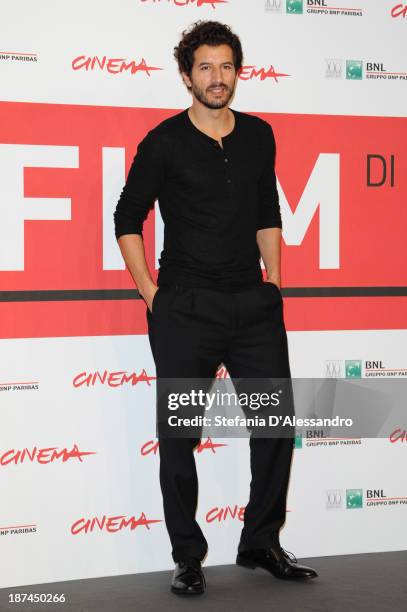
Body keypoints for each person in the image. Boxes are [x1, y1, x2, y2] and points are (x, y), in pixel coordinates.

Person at [114, 20, 318, 596]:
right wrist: (152, 294)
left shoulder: (258, 135)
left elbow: (266, 210)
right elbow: (127, 218)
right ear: (186, 76)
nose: (217, 77)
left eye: (226, 66)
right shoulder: (164, 141)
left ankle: (260, 541)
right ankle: (187, 556)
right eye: (205, 67)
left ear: (238, 72)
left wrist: (274, 280)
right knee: (180, 434)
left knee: (275, 424)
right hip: (186, 307)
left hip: (253, 305)